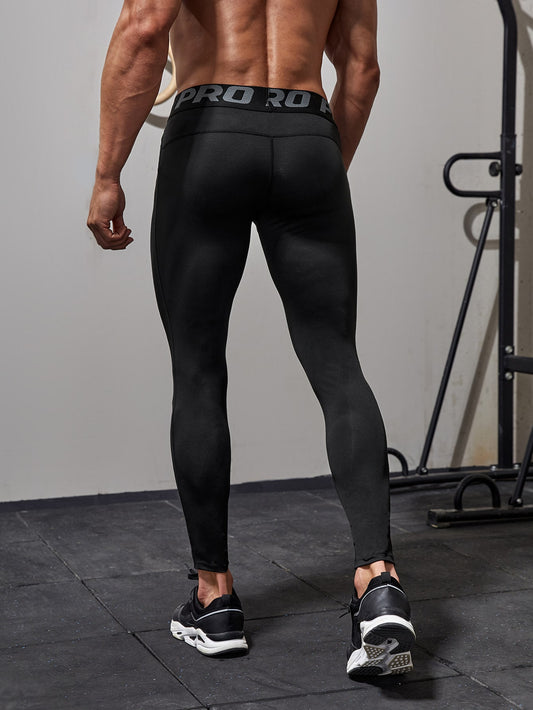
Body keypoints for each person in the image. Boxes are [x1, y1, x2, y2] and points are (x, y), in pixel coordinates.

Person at [87, 0, 415, 676]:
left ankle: (214, 600)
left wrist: (106, 175)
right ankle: (377, 580)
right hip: (308, 132)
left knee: (198, 368)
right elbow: (362, 68)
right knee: (338, 365)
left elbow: (145, 26)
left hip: (209, 133)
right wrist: (316, 166)